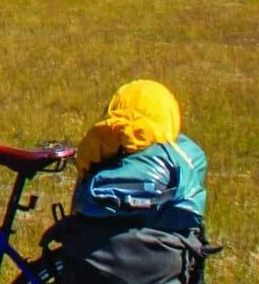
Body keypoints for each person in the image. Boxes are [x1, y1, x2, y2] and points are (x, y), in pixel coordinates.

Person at [71, 79, 206, 232]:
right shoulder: (185, 155)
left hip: (88, 249)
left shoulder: (98, 141)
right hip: (165, 251)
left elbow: (76, 211)